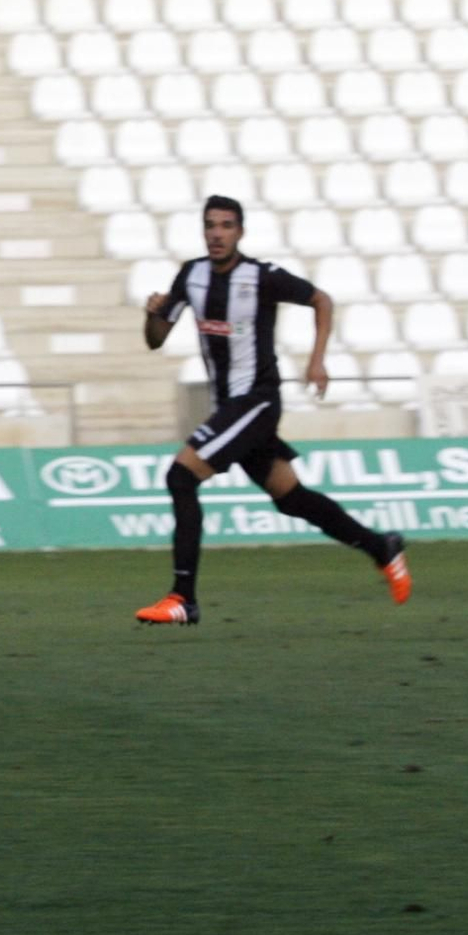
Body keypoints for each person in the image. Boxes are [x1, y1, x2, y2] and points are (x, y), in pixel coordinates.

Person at [135, 195, 412, 626]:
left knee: (181, 475)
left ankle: (183, 598)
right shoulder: (192, 275)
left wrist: (317, 360)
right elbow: (155, 339)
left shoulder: (261, 277)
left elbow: (322, 300)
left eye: (226, 225)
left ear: (240, 232)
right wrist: (150, 314)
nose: (217, 233)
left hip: (258, 400)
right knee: (291, 498)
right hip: (232, 407)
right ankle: (382, 548)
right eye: (210, 225)